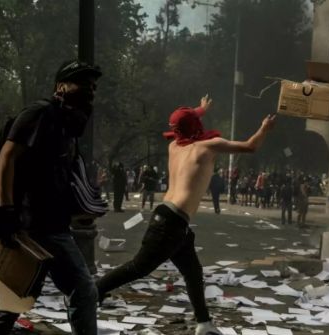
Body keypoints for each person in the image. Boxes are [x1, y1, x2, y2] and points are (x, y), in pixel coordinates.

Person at [96, 95, 276, 335]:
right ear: (197, 127)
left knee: (193, 272)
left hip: (172, 220)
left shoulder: (173, 147)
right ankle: (92, 292)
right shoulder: (208, 147)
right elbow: (250, 146)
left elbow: (183, 123)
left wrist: (200, 109)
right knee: (139, 267)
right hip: (171, 223)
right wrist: (264, 128)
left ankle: (204, 324)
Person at [0, 60, 101, 335]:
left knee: (21, 292)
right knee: (83, 288)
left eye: (92, 85)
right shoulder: (40, 114)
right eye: (82, 83)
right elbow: (7, 157)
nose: (89, 90)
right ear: (60, 86)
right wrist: (6, 211)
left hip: (47, 221)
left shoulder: (65, 125)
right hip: (38, 223)